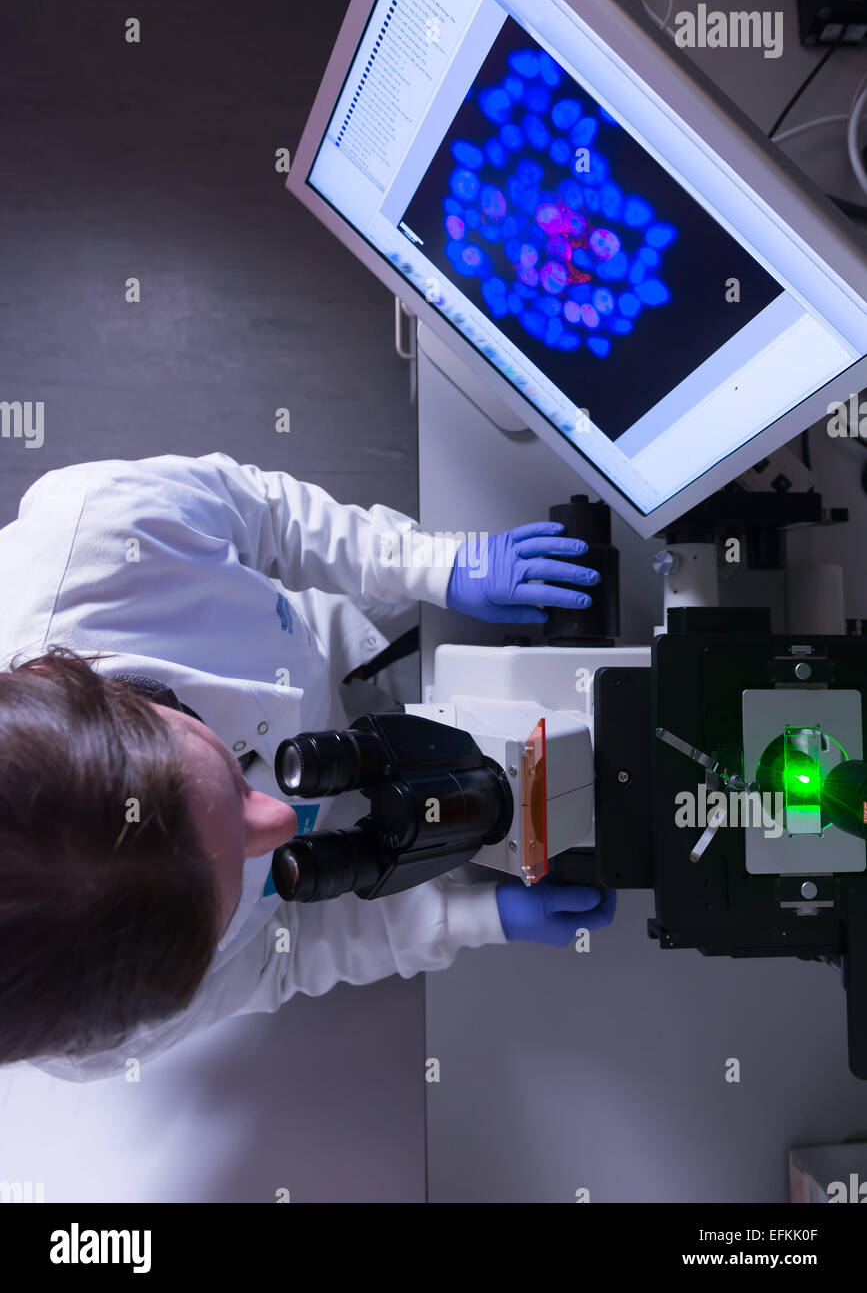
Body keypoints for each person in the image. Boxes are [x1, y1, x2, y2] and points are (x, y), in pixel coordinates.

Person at [0, 452, 616, 1081]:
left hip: (319, 646)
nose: (281, 822)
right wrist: (468, 919)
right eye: (236, 865)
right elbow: (281, 954)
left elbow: (269, 516)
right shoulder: (103, 1028)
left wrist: (440, 564)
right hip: (370, 826)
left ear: (65, 676)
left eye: (234, 791)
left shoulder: (99, 538)